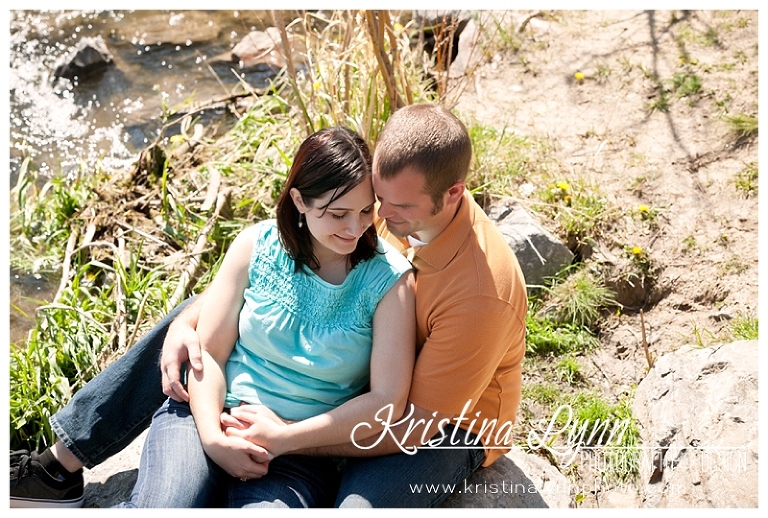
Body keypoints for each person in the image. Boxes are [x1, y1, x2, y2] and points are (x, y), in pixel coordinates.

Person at [10, 103, 527, 508]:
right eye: (375, 200)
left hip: (444, 425)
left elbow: (406, 421)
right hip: (341, 374)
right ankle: (62, 463)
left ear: (453, 194)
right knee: (199, 320)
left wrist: (281, 438)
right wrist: (191, 325)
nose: (377, 219)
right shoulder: (403, 202)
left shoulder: (478, 294)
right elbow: (241, 310)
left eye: (389, 207)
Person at [115, 126, 415, 507]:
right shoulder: (256, 245)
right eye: (338, 213)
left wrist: (285, 438)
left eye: (365, 210)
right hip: (205, 415)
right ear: (299, 201)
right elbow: (209, 352)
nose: (355, 228)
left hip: (299, 453)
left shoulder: (391, 281)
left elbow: (386, 402)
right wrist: (213, 438)